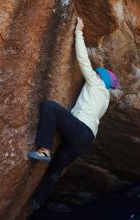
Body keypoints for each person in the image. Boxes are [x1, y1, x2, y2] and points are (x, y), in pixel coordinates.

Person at [27, 17, 120, 209]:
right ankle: (37, 203)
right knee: (56, 168)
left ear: (100, 77)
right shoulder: (105, 98)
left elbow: (83, 60)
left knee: (49, 107)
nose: (93, 73)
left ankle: (44, 149)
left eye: (97, 72)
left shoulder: (96, 82)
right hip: (86, 139)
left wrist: (79, 32)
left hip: (80, 130)